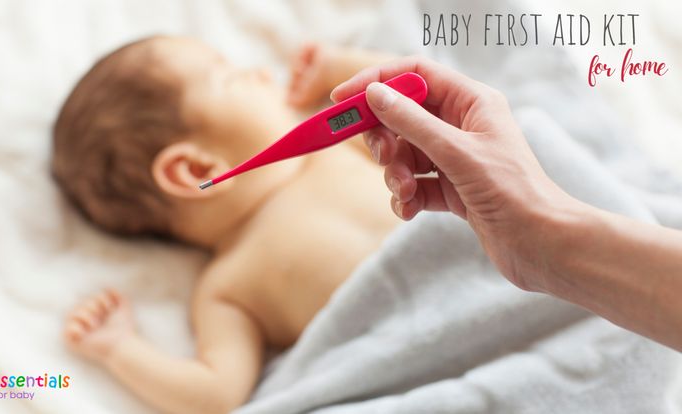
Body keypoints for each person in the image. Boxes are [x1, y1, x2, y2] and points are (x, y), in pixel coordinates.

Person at [53, 36, 403, 414]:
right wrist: (119, 348)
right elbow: (214, 394)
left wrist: (337, 67)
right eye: (232, 77)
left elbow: (412, 96)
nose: (263, 73)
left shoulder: (335, 146)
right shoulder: (226, 287)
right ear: (197, 169)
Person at [330, 55, 682, 353]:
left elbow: (391, 105)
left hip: (458, 240)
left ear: (271, 81)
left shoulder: (322, 144)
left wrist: (333, 63)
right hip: (410, 314)